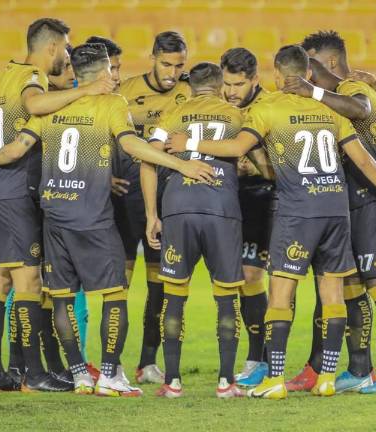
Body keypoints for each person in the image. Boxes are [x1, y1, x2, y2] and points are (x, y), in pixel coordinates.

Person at [0, 43, 215, 396]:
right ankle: (111, 375)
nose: (116, 76)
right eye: (112, 70)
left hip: (54, 215)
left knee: (62, 297)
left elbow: (17, 148)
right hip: (93, 217)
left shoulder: (51, 105)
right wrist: (181, 163)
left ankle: (79, 374)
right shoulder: (111, 104)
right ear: (103, 73)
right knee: (114, 295)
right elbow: (131, 145)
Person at [166, 45, 376, 399]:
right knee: (332, 291)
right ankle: (326, 378)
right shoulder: (328, 108)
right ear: (306, 74)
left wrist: (190, 141)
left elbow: (235, 149)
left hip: (298, 212)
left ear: (277, 76)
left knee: (281, 291)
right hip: (336, 210)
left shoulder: (267, 108)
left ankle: (274, 379)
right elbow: (363, 159)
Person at [0, 18, 113, 393]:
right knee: (28, 282)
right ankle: (33, 374)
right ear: (52, 48)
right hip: (12, 190)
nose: (68, 55)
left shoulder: (0, 77)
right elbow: (35, 103)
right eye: (66, 48)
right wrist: (87, 90)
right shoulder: (32, 77)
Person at [290, 30, 376, 394]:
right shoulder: (355, 90)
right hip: (352, 201)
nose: (303, 72)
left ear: (329, 63)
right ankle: (360, 368)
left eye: (309, 64)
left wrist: (312, 91)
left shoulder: (350, 92)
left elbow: (361, 109)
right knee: (350, 285)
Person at [142, 62, 249, 399]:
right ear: (220, 86)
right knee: (227, 297)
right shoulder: (236, 116)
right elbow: (255, 158)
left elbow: (147, 159)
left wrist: (151, 215)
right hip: (222, 210)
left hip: (179, 206)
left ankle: (172, 382)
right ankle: (226, 383)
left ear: (191, 87)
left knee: (174, 296)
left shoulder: (173, 114)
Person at [114, 31, 192, 384]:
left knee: (159, 284)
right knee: (120, 283)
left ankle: (147, 362)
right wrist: (106, 178)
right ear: (152, 57)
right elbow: (103, 136)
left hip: (169, 197)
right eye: (166, 64)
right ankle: (111, 361)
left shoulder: (190, 93)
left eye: (179, 66)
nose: (172, 72)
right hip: (126, 196)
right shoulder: (126, 92)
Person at [219, 47, 274, 387]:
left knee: (253, 275)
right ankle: (260, 358)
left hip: (264, 198)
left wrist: (252, 161)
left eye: (238, 85)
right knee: (239, 278)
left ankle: (262, 358)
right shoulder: (222, 109)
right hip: (232, 198)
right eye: (227, 83)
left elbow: (275, 164)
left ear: (255, 80)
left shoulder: (270, 108)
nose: (231, 91)